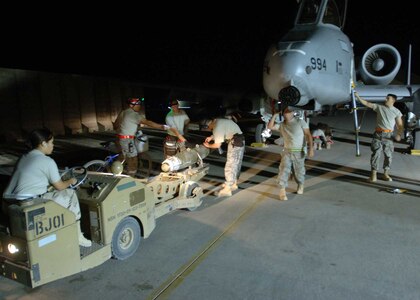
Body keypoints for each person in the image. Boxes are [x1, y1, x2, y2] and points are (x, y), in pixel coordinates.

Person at [3, 128, 92, 247]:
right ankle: (78, 236)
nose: (53, 145)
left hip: (8, 202)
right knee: (70, 194)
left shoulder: (24, 157)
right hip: (29, 203)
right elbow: (60, 186)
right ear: (43, 143)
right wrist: (71, 180)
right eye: (51, 142)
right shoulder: (47, 161)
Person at [113, 97, 170, 177]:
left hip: (119, 138)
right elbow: (148, 122)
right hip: (127, 140)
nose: (140, 106)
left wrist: (125, 129)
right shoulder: (134, 115)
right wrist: (162, 127)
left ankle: (114, 172)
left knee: (122, 156)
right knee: (133, 159)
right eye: (138, 105)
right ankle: (130, 178)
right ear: (132, 105)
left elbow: (116, 125)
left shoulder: (123, 112)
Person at [354, 93, 404, 182]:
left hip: (388, 136)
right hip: (378, 134)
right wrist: (357, 96)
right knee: (375, 154)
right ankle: (373, 175)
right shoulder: (379, 107)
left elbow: (400, 125)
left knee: (388, 155)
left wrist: (399, 134)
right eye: (386, 98)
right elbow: (366, 103)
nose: (385, 99)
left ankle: (385, 174)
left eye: (388, 98)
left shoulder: (396, 111)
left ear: (393, 100)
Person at [268, 107, 314, 201]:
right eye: (284, 112)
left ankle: (300, 184)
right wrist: (275, 115)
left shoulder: (300, 122)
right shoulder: (282, 125)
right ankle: (282, 190)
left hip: (299, 151)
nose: (286, 114)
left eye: (288, 112)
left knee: (299, 172)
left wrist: (311, 149)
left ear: (293, 113)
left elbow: (308, 135)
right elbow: (270, 127)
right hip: (287, 151)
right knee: (284, 170)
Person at [203, 117, 245, 197]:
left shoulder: (217, 127)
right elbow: (222, 130)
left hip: (235, 142)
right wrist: (211, 137)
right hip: (239, 139)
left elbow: (217, 145)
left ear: (208, 126)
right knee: (236, 163)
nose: (209, 129)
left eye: (208, 128)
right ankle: (233, 184)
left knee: (230, 165)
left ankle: (227, 189)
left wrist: (208, 145)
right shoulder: (217, 121)